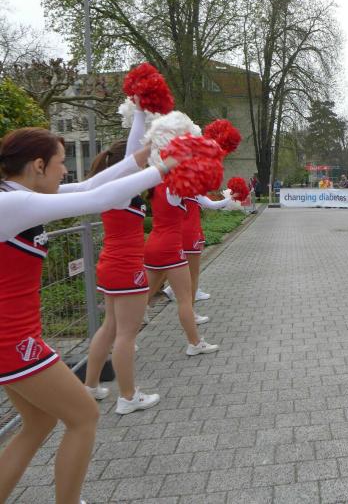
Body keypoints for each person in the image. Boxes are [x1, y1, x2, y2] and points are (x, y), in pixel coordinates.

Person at [0, 127, 178, 504]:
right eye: (60, 162)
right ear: (38, 165)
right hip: (12, 342)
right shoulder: (12, 203)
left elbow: (91, 186)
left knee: (39, 422)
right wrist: (168, 166)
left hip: (15, 338)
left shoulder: (19, 196)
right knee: (83, 417)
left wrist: (142, 156)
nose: (65, 171)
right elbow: (99, 198)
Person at [84, 108, 162, 416]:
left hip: (112, 265)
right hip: (126, 267)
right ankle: (128, 396)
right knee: (126, 334)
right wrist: (140, 112)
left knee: (110, 328)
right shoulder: (121, 190)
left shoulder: (114, 191)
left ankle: (91, 387)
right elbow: (133, 152)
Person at [144, 183, 220, 356]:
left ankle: (120, 337)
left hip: (153, 245)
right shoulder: (174, 189)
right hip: (171, 248)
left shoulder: (155, 186)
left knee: (141, 297)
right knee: (185, 299)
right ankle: (195, 343)